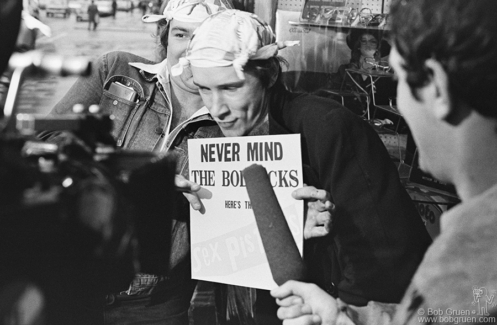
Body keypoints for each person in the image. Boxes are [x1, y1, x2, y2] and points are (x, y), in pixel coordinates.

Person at [172, 9, 432, 324]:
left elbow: (385, 258)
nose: (216, 109)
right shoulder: (212, 138)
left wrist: (338, 312)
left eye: (230, 88)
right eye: (203, 89)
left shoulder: (326, 127)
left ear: (268, 75)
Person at [271, 0, 497, 324]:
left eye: (399, 78)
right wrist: (341, 318)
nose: (399, 106)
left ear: (436, 87)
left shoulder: (466, 265)